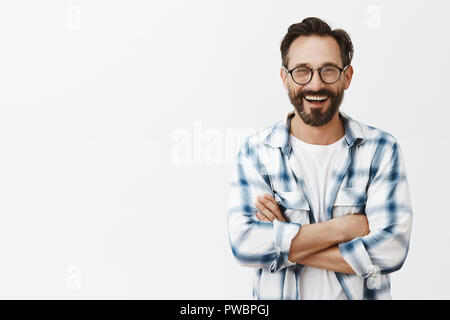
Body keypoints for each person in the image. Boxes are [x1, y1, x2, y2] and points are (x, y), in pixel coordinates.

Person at [227, 17, 413, 300]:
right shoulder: (257, 152)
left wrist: (283, 242)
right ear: (285, 77)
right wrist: (344, 228)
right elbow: (244, 244)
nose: (315, 84)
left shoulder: (381, 149)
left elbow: (391, 251)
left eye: (328, 71)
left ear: (347, 77)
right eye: (302, 71)